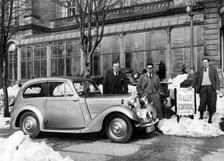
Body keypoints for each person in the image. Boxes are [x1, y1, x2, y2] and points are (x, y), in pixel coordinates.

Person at [191, 58, 220, 123]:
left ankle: (210, 118)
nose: (205, 64)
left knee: (211, 103)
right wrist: (191, 86)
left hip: (212, 88)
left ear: (208, 63)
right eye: (203, 62)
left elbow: (217, 80)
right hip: (202, 88)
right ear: (202, 63)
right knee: (202, 102)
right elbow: (195, 79)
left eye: (206, 62)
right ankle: (201, 116)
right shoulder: (199, 70)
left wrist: (217, 89)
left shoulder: (213, 70)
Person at [137, 63, 163, 134]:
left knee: (158, 110)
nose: (149, 69)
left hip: (154, 94)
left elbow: (159, 86)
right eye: (148, 68)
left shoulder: (156, 76)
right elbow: (138, 87)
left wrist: (158, 93)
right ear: (146, 68)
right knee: (146, 111)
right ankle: (147, 128)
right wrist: (142, 94)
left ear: (152, 68)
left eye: (151, 68)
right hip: (145, 94)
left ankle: (158, 126)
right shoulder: (142, 77)